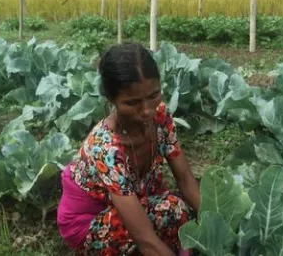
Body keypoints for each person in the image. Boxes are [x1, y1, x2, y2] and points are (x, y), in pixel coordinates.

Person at [57, 43, 201, 256]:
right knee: (173, 209)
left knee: (187, 209)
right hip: (88, 223)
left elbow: (185, 179)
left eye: (153, 95)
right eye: (132, 102)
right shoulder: (106, 148)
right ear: (111, 99)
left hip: (134, 204)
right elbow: (146, 240)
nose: (146, 110)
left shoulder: (159, 115)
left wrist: (219, 228)